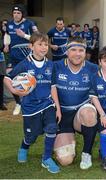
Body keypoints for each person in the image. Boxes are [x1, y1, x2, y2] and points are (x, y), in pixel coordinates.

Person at [4, 32, 61, 173]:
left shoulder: (50, 65)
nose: (43, 47)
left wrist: (58, 108)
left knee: (52, 128)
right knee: (32, 136)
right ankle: (24, 146)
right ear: (31, 46)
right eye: (40, 44)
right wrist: (14, 90)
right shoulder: (24, 64)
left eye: (45, 44)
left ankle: (46, 158)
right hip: (30, 107)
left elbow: (53, 87)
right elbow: (7, 77)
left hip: (47, 104)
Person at [53, 36, 98, 170]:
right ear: (67, 51)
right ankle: (61, 139)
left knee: (89, 113)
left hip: (81, 112)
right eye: (73, 50)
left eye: (81, 50)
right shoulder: (56, 66)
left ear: (85, 53)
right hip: (62, 115)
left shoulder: (93, 69)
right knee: (65, 160)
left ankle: (86, 154)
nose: (77, 54)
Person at [4, 4, 38, 115]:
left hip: (26, 56)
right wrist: (6, 44)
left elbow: (37, 37)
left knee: (31, 79)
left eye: (18, 13)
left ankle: (31, 103)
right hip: (13, 56)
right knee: (10, 78)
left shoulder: (29, 23)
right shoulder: (9, 24)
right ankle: (18, 103)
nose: (16, 15)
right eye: (14, 13)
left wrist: (24, 35)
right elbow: (7, 34)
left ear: (22, 14)